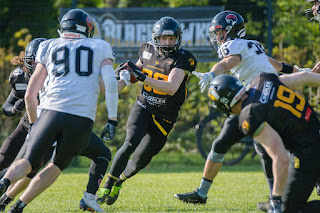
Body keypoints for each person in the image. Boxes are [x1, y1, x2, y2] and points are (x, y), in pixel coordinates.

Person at [174, 10, 316, 211]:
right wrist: (304, 72)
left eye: (220, 32)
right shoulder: (253, 45)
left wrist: (210, 73)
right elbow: (276, 65)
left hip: (255, 99)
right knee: (269, 145)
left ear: (232, 30)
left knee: (231, 143)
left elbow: (226, 63)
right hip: (272, 90)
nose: (217, 37)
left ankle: (203, 192)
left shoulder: (233, 46)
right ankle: (274, 197)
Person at [0, 9, 118, 213]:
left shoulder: (48, 45)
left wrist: (36, 126)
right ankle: (18, 207)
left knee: (28, 162)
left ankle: (3, 183)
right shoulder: (99, 46)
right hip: (80, 118)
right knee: (55, 166)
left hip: (49, 113)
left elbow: (30, 95)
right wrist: (113, 118)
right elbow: (109, 82)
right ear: (87, 29)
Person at [95, 16, 197, 206]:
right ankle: (107, 184)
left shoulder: (184, 58)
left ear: (178, 38)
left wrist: (141, 76)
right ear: (155, 38)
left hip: (165, 117)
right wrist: (126, 75)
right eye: (163, 38)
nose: (167, 42)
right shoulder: (147, 49)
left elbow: (171, 87)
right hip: (144, 105)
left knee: (139, 162)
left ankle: (119, 182)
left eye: (171, 38)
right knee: (129, 143)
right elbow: (137, 71)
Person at [204, 72, 320, 212]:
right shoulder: (262, 79)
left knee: (286, 210)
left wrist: (276, 200)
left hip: (307, 151)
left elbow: (281, 158)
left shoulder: (250, 116)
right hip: (315, 132)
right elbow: (305, 76)